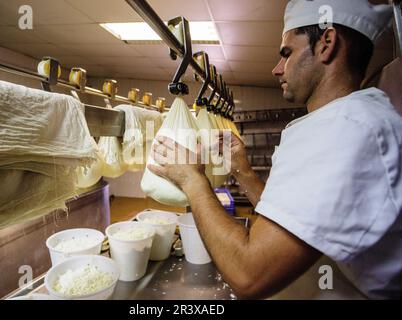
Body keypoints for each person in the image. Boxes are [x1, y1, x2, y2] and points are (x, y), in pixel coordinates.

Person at [148, 0, 402, 299]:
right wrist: (242, 171)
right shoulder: (344, 121)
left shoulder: (345, 129)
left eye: (287, 53)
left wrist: (192, 179)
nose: (277, 68)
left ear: (326, 44)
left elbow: (248, 274)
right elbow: (295, 216)